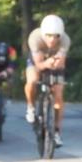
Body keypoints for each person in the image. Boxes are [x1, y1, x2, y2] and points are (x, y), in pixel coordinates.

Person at [24, 14, 70, 147]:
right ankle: (31, 107)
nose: (52, 40)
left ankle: (56, 132)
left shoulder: (65, 40)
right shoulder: (35, 37)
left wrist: (56, 62)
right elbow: (38, 64)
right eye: (48, 36)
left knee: (59, 95)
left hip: (54, 62)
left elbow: (62, 63)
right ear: (43, 33)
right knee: (32, 80)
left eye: (56, 36)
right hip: (37, 61)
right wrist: (47, 63)